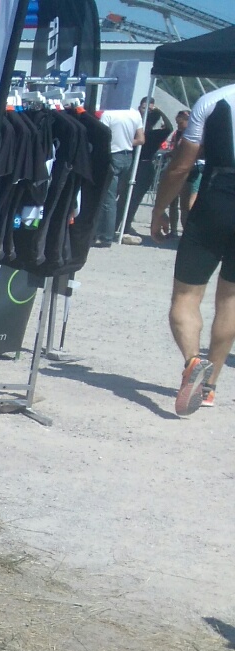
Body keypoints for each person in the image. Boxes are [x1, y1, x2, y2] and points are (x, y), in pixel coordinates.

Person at [157, 85, 235, 416]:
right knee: (231, 300)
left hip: (217, 198)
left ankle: (193, 361)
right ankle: (209, 387)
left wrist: (160, 209)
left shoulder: (215, 100)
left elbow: (180, 166)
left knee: (186, 297)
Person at [124, 99, 172, 240]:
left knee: (133, 199)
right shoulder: (132, 128)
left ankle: (125, 224)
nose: (147, 113)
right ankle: (120, 224)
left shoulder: (154, 134)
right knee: (124, 198)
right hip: (132, 163)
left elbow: (169, 128)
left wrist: (159, 111)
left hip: (143, 165)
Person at [97, 104, 144, 247]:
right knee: (117, 196)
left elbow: (101, 137)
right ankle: (110, 231)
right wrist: (126, 142)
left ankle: (106, 235)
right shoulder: (135, 114)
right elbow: (141, 139)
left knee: (108, 198)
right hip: (127, 155)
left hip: (113, 154)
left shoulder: (108, 114)